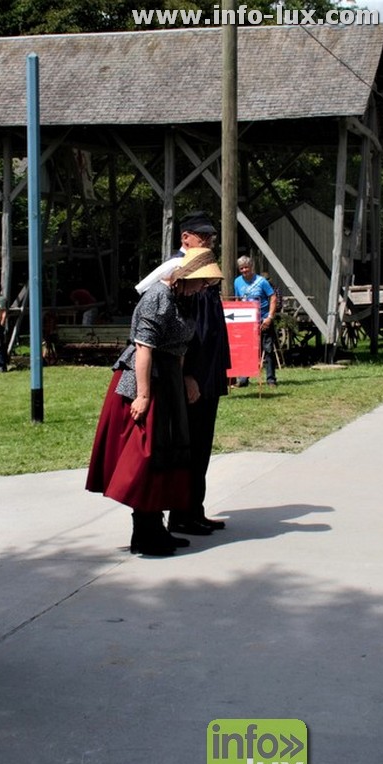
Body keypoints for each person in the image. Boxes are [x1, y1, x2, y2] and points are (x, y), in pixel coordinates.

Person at [86, 247, 223, 556]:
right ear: (186, 276)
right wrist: (144, 395)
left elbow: (181, 347)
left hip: (169, 380)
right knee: (146, 455)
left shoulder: (185, 299)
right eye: (203, 281)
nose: (206, 287)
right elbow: (144, 348)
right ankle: (145, 532)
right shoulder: (157, 298)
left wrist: (185, 378)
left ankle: (154, 527)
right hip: (146, 381)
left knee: (167, 452)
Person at [166, 211, 231, 537]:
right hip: (193, 378)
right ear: (185, 238)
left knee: (202, 447)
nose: (208, 242)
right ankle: (181, 514)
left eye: (211, 237)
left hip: (210, 376)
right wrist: (188, 375)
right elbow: (182, 332)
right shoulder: (180, 271)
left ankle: (195, 509)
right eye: (202, 237)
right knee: (187, 447)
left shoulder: (205, 270)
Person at [233, 255, 278, 387]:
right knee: (247, 350)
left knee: (268, 350)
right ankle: (243, 379)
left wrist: (270, 317)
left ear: (251, 267)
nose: (244, 270)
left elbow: (273, 297)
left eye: (246, 267)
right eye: (241, 268)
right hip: (246, 322)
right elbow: (237, 299)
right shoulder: (237, 282)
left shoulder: (262, 281)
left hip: (263, 320)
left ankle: (271, 379)